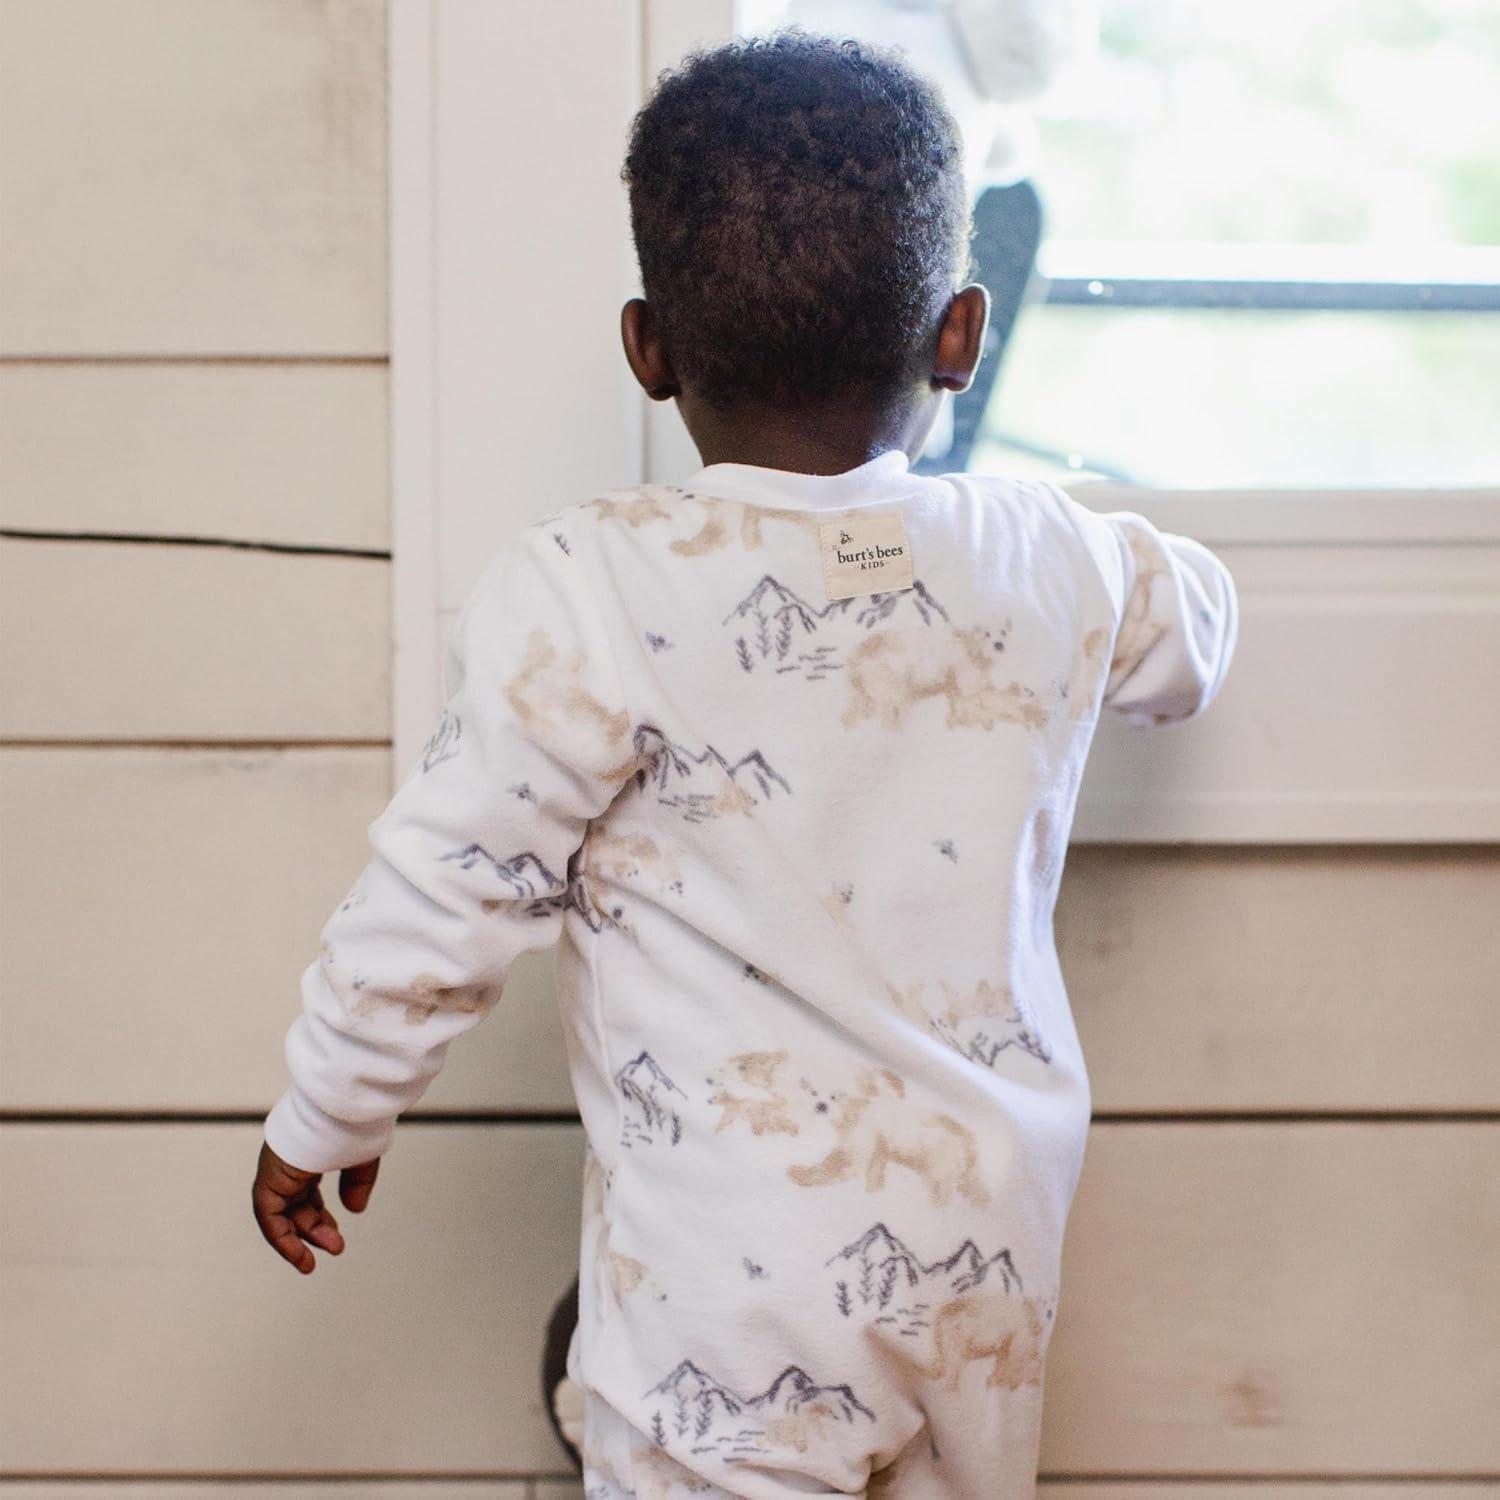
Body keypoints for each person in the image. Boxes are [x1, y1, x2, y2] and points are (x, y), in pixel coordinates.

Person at [251, 26, 1238, 1499]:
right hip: (976, 1262)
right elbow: (1193, 629)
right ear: (962, 335)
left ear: (648, 351)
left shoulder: (589, 585)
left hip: (723, 1284)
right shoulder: (1048, 556)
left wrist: (329, 1109)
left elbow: (443, 888)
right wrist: (1056, 556)